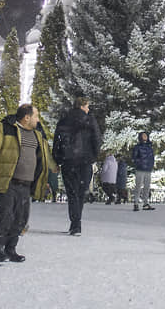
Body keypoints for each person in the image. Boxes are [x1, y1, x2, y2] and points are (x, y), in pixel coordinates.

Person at [0, 103, 56, 262]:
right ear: (26, 117)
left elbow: (44, 157)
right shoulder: (4, 128)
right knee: (5, 215)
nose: (38, 119)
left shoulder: (38, 134)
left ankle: (11, 249)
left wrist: (52, 170)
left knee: (21, 219)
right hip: (7, 180)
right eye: (35, 116)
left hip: (26, 184)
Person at [52, 97, 101, 236]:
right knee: (80, 192)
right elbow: (97, 139)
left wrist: (57, 159)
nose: (88, 109)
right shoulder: (90, 120)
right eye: (87, 106)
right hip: (84, 161)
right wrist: (93, 156)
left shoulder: (64, 120)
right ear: (82, 106)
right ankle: (76, 224)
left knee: (72, 193)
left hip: (68, 161)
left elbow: (57, 141)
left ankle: (75, 224)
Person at [132, 131, 155, 211]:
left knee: (147, 187)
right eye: (143, 135)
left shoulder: (150, 147)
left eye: (146, 135)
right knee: (138, 186)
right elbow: (134, 157)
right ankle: (136, 203)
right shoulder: (137, 147)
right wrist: (139, 162)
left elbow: (152, 158)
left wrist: (151, 165)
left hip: (148, 169)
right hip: (140, 169)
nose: (145, 137)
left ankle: (145, 203)